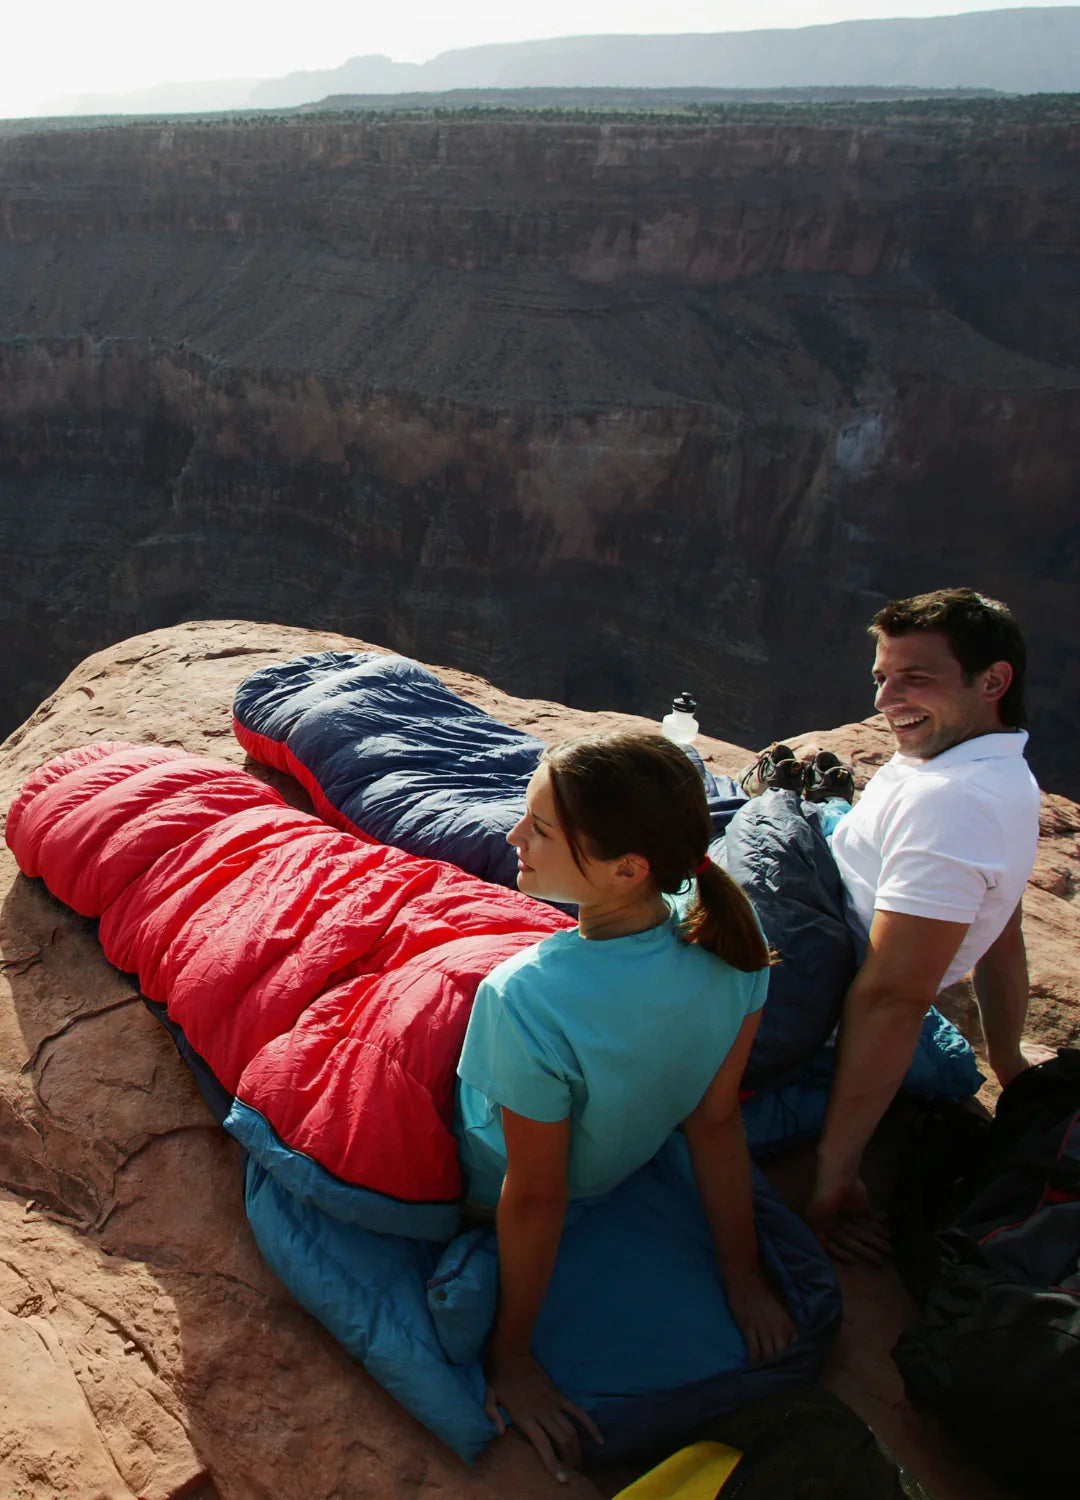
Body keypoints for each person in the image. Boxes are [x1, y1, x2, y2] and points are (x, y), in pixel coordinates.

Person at [454, 731, 797, 1481]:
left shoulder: (524, 998)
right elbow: (715, 1121)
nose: (513, 836)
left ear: (628, 868)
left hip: (486, 1180)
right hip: (606, 1161)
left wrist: (512, 1355)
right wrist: (742, 1277)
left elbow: (535, 1195)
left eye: (540, 829)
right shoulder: (732, 940)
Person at [805, 588, 1045, 1259]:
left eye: (914, 678)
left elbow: (893, 999)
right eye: (882, 677)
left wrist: (834, 1174)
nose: (886, 701)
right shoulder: (975, 762)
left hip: (814, 1016)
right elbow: (1004, 932)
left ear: (992, 682)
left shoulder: (954, 804)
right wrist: (1009, 1062)